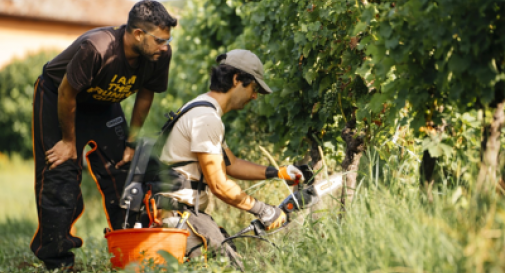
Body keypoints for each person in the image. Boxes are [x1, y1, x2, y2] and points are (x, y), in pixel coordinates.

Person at [30, 0, 177, 270]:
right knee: (61, 173)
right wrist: (69, 142)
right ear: (138, 34)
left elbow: (146, 93)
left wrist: (131, 141)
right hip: (57, 97)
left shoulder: (158, 55)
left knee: (123, 170)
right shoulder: (97, 48)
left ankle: (134, 251)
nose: (165, 46)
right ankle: (57, 260)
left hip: (103, 103)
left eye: (167, 40)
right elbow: (66, 92)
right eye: (159, 40)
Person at [151, 49, 307, 270]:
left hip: (183, 213)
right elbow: (218, 185)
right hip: (177, 217)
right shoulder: (206, 119)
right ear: (236, 79)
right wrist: (264, 211)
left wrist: (277, 172)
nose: (254, 96)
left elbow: (231, 164)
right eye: (254, 88)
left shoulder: (202, 108)